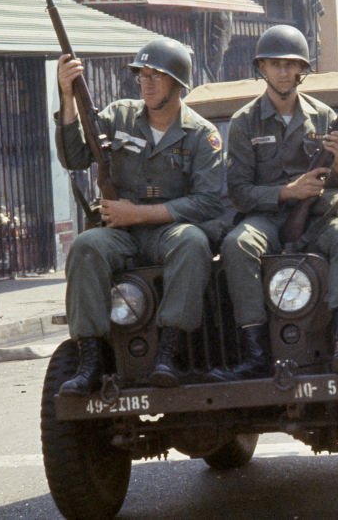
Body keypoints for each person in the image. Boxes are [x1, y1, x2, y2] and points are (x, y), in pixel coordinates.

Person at [54, 37, 223, 395]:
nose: (146, 83)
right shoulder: (119, 117)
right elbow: (74, 158)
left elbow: (209, 202)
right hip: (119, 232)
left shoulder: (201, 135)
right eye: (141, 75)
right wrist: (67, 97)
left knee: (193, 242)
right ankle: (89, 357)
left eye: (156, 76)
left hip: (168, 231)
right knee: (86, 246)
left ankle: (168, 349)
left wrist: (140, 213)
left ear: (177, 84)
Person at [215, 25, 338, 381]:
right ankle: (255, 350)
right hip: (265, 218)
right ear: (262, 69)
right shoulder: (243, 122)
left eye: (290, 65)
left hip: (315, 218)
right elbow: (238, 190)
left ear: (302, 70)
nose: (283, 72)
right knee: (237, 245)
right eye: (275, 64)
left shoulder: (325, 117)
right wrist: (286, 192)